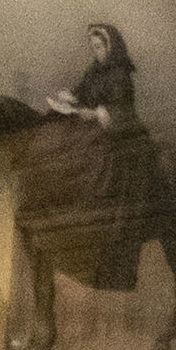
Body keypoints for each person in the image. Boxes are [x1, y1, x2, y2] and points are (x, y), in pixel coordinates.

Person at [45, 22, 163, 290]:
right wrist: (68, 100)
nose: (97, 52)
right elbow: (81, 92)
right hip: (99, 130)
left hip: (123, 133)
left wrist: (95, 114)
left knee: (104, 165)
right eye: (93, 47)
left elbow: (121, 109)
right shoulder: (95, 70)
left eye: (100, 47)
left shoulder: (120, 73)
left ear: (111, 47)